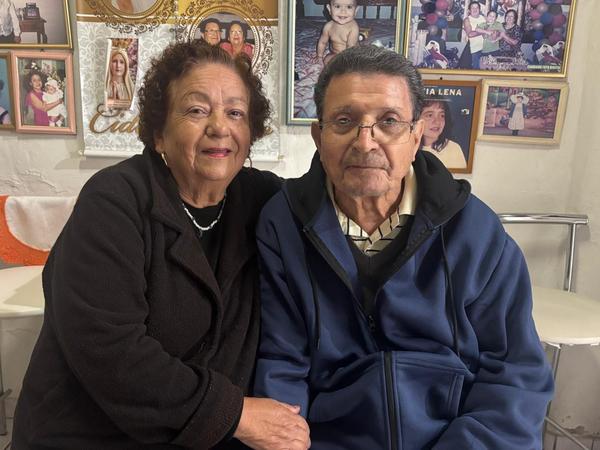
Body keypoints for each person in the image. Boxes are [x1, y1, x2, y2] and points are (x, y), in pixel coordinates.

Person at [12, 41, 310, 450]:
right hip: (89, 435)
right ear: (158, 134)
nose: (219, 127)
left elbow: (334, 194)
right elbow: (109, 351)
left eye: (235, 113)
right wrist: (236, 414)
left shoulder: (261, 199)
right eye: (196, 110)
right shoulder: (115, 200)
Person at [254, 45, 553, 449]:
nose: (365, 142)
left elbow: (515, 376)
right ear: (318, 137)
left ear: (415, 137)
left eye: (389, 122)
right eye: (344, 121)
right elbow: (282, 364)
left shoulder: (475, 231)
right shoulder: (283, 224)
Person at [420, 98, 466, 169]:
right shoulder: (407, 145)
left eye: (442, 115)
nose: (437, 121)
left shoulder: (454, 148)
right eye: (430, 115)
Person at [315, 0, 359, 65]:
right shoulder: (328, 26)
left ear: (356, 10)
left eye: (349, 7)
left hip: (351, 54)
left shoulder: (353, 27)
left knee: (358, 61)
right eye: (337, 6)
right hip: (335, 53)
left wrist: (347, 62)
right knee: (327, 60)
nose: (343, 11)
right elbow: (322, 42)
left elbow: (351, 47)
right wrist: (319, 56)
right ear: (329, 9)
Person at [462, 1, 486, 69]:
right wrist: (483, 31)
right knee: (476, 69)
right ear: (469, 10)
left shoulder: (484, 18)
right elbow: (470, 34)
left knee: (486, 69)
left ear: (479, 9)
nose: (475, 9)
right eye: (473, 8)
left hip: (486, 49)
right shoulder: (467, 19)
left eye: (477, 7)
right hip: (475, 50)